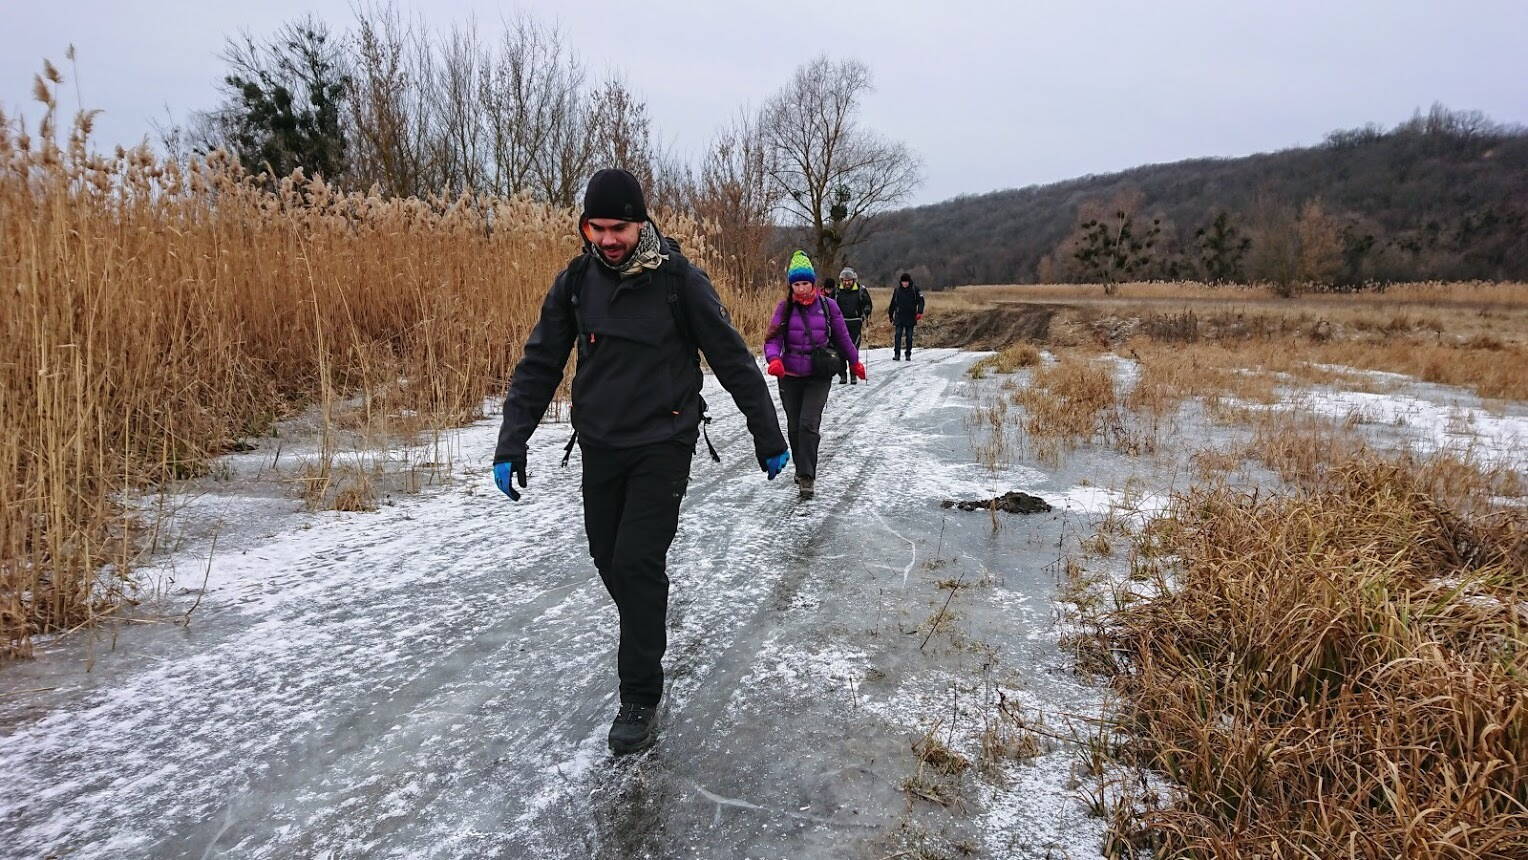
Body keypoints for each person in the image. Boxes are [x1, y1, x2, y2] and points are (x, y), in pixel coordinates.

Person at [492, 168, 790, 756]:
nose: (608, 239)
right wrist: (511, 440)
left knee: (634, 562)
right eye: (597, 228)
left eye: (619, 228)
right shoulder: (576, 283)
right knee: (610, 559)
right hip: (600, 445)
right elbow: (539, 363)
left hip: (663, 442)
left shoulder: (679, 281)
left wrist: (767, 433)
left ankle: (639, 696)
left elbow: (731, 358)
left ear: (641, 224)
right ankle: (647, 617)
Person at [763, 251, 865, 499]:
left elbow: (842, 337)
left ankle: (807, 476)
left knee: (808, 423)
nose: (801, 289)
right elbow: (772, 339)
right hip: (789, 374)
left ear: (813, 283)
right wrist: (774, 359)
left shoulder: (828, 307)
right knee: (794, 425)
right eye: (796, 284)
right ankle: (801, 466)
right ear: (791, 285)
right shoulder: (785, 308)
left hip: (818, 373)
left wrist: (854, 362)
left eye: (805, 283)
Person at [835, 267, 873, 384]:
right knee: (840, 350)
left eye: (849, 280)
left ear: (853, 280)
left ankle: (853, 375)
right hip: (840, 324)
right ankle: (842, 375)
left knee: (853, 350)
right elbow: (830, 305)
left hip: (855, 323)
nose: (847, 283)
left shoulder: (861, 291)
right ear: (841, 280)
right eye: (845, 281)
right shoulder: (837, 291)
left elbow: (868, 304)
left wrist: (865, 313)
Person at [887, 272, 926, 361]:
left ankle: (908, 354)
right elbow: (893, 303)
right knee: (898, 336)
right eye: (903, 282)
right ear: (901, 282)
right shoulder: (897, 290)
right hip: (899, 316)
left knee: (909, 337)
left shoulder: (915, 290)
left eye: (906, 282)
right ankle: (897, 354)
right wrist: (890, 314)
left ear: (909, 281)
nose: (905, 284)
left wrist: (920, 312)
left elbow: (921, 301)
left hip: (910, 316)